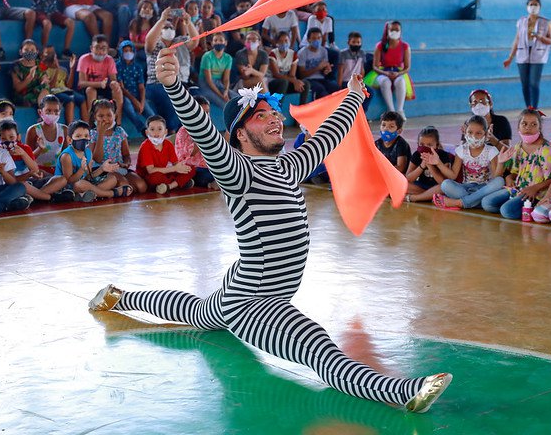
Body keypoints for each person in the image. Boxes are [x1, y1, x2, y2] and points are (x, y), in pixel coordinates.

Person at [88, 48, 452, 413]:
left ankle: (120, 297)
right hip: (254, 304)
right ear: (241, 136)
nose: (275, 119)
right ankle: (400, 392)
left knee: (196, 311)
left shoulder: (289, 165)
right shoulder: (236, 170)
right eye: (261, 116)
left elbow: (329, 134)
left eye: (273, 112)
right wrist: (174, 87)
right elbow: (204, 131)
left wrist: (354, 95)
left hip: (240, 286)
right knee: (315, 344)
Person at [481, 109, 551, 219]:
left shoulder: (546, 150)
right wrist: (510, 178)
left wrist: (534, 189)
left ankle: (532, 208)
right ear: (518, 127)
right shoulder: (518, 147)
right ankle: (517, 207)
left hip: (536, 194)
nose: (528, 127)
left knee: (507, 211)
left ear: (539, 128)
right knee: (486, 203)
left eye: (533, 124)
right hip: (518, 190)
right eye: (524, 124)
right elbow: (515, 172)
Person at [145, 7, 198, 131]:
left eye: (171, 27)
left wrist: (188, 22)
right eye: (165, 27)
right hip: (156, 84)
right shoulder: (155, 43)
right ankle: (172, 131)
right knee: (173, 99)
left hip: (178, 83)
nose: (168, 29)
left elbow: (195, 41)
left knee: (193, 101)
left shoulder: (181, 41)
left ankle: (182, 132)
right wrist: (162, 19)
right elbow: (148, 41)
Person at [434, 116, 504, 210]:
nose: (473, 137)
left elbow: (496, 178)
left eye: (478, 133)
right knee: (445, 184)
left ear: (486, 134)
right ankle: (474, 201)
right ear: (465, 132)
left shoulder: (491, 150)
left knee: (500, 181)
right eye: (470, 132)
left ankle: (460, 202)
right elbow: (453, 176)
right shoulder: (461, 150)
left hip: (484, 188)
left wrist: (501, 163)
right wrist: (438, 163)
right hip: (466, 188)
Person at [0, 119, 72, 203]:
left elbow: (35, 169)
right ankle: (49, 197)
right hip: (15, 185)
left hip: (30, 182)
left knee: (61, 179)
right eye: (3, 138)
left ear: (18, 137)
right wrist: (28, 174)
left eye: (11, 137)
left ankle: (35, 197)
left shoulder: (24, 148)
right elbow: (12, 180)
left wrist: (23, 154)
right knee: (23, 185)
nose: (7, 141)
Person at [502, 0, 551, 110]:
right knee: (525, 84)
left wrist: (540, 37)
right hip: (522, 55)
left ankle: (534, 108)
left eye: (536, 5)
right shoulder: (521, 21)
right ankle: (528, 107)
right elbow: (517, 39)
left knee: (534, 83)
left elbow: (550, 40)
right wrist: (510, 57)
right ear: (527, 6)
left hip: (538, 56)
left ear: (540, 7)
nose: (533, 7)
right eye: (531, 4)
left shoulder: (546, 22)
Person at [55, 120, 123, 202]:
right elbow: (68, 181)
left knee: (112, 179)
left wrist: (102, 168)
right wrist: (81, 170)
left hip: (85, 183)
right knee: (80, 185)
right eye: (78, 136)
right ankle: (111, 193)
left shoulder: (88, 152)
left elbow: (89, 176)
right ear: (70, 140)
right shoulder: (67, 156)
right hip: (69, 187)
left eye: (86, 136)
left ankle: (86, 194)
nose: (83, 139)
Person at [88, 99, 141, 195]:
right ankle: (105, 191)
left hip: (119, 168)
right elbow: (97, 159)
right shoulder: (93, 134)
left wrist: (126, 163)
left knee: (141, 186)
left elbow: (126, 155)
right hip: (102, 170)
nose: (105, 119)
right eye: (100, 116)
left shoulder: (120, 132)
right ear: (94, 118)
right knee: (124, 184)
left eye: (109, 115)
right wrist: (100, 134)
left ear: (115, 116)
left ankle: (114, 190)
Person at [136, 115, 195, 194]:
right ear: (147, 132)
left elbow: (176, 164)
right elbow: (150, 170)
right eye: (152, 129)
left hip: (164, 172)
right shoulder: (145, 146)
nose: (156, 133)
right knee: (155, 178)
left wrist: (181, 168)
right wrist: (175, 169)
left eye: (160, 129)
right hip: (149, 176)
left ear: (166, 131)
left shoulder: (168, 144)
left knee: (191, 168)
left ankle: (169, 186)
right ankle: (179, 183)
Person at [77, 34, 123, 124]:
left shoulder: (109, 60)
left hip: (104, 87)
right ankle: (92, 122)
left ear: (107, 49)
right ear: (91, 48)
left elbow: (113, 79)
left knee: (117, 90)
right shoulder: (84, 59)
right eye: (97, 48)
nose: (100, 51)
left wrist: (114, 84)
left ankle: (117, 122)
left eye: (103, 48)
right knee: (91, 90)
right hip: (88, 87)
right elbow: (81, 83)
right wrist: (99, 84)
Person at [174, 96, 218, 190]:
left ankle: (214, 181)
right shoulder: (183, 131)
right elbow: (189, 155)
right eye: (202, 113)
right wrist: (202, 136)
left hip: (209, 166)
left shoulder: (211, 127)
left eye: (207, 113)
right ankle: (210, 184)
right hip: (192, 168)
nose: (206, 116)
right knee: (201, 175)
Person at [372, 21, 412, 119]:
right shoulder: (380, 46)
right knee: (385, 82)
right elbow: (375, 66)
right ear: (387, 31)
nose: (394, 32)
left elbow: (407, 67)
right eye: (392, 30)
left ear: (400, 31)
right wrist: (385, 73)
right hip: (383, 71)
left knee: (401, 82)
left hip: (398, 72)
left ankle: (400, 110)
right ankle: (391, 110)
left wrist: (398, 73)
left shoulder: (405, 46)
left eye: (397, 30)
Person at [405, 126, 454, 202]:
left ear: (437, 145)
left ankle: (417, 197)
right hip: (421, 186)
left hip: (437, 187)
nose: (425, 148)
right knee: (402, 185)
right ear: (418, 144)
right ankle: (428, 196)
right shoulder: (417, 155)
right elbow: (408, 179)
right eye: (422, 144)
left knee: (444, 187)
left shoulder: (443, 155)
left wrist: (430, 165)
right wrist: (422, 166)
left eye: (429, 145)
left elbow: (443, 183)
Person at [116, 40, 154, 135]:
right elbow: (122, 88)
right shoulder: (117, 66)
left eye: (130, 50)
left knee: (151, 114)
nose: (128, 53)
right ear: (121, 52)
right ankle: (143, 130)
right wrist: (135, 101)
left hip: (137, 95)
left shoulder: (137, 67)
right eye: (125, 51)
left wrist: (141, 102)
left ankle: (156, 131)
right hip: (125, 95)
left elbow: (141, 87)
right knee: (129, 109)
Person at [39, 46, 84, 123]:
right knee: (69, 100)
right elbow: (51, 86)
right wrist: (56, 69)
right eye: (48, 54)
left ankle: (86, 125)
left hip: (65, 90)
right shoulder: (42, 69)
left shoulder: (63, 69)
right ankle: (70, 126)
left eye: (53, 54)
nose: (51, 56)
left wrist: (72, 68)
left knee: (82, 99)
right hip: (54, 92)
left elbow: (68, 86)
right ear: (42, 56)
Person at [25, 94, 67, 175]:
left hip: (58, 171)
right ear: (40, 112)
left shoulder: (64, 130)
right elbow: (28, 158)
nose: (52, 114)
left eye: (56, 111)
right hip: (38, 171)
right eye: (48, 111)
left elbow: (66, 156)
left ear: (60, 113)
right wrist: (40, 149)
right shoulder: (33, 131)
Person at [267, 31, 309, 103]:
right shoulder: (273, 53)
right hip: (273, 83)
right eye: (280, 41)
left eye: (286, 41)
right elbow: (276, 75)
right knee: (284, 82)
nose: (283, 43)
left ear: (289, 41)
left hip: (286, 82)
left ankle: (302, 109)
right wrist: (294, 81)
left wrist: (296, 82)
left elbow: (292, 75)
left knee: (305, 84)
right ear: (277, 43)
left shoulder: (293, 54)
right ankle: (277, 108)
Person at [298, 28, 338, 99]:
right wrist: (318, 68)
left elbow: (324, 67)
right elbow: (302, 74)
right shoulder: (302, 53)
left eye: (319, 38)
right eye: (313, 38)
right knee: (321, 90)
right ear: (308, 40)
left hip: (321, 78)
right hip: (308, 79)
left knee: (335, 87)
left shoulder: (323, 51)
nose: (317, 40)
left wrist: (327, 70)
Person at [197, 33, 233, 109]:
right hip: (205, 83)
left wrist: (226, 91)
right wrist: (222, 96)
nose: (218, 42)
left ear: (225, 42)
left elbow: (226, 79)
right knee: (223, 104)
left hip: (218, 82)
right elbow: (209, 80)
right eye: (215, 40)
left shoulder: (228, 58)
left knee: (235, 97)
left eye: (221, 40)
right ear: (212, 43)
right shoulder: (207, 56)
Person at [11, 39, 50, 106]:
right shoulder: (16, 66)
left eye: (32, 50)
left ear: (37, 52)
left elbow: (44, 79)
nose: (29, 52)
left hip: (38, 92)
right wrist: (30, 77)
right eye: (26, 50)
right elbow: (17, 88)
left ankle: (43, 108)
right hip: (23, 95)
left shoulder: (40, 64)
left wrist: (44, 80)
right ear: (20, 52)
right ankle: (43, 109)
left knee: (45, 89)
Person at [300, 2, 337, 66]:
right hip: (308, 44)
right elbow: (312, 36)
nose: (321, 12)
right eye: (319, 10)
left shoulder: (329, 20)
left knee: (335, 54)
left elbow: (325, 37)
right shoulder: (312, 19)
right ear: (314, 12)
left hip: (322, 45)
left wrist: (322, 50)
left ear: (327, 11)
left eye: (323, 9)